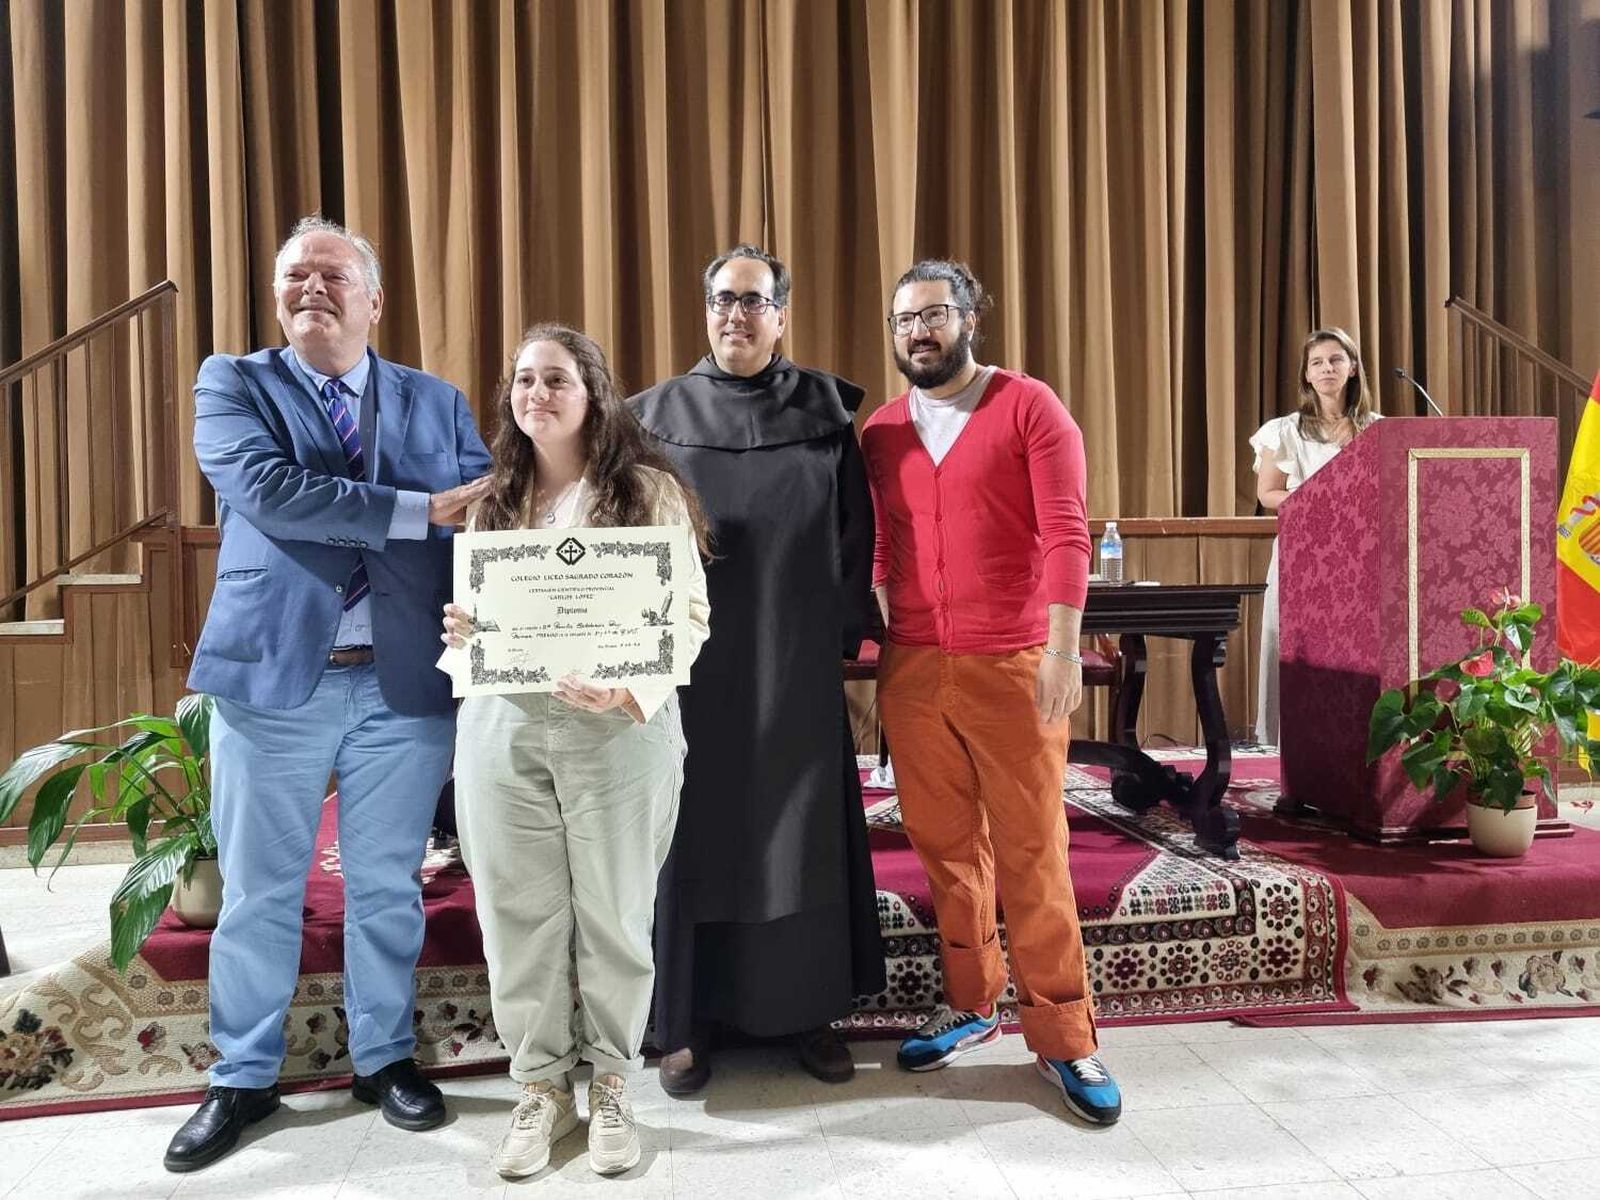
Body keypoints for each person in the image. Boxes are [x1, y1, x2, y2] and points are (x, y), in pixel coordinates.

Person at [167, 216, 492, 1172]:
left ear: (375, 301)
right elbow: (268, 489)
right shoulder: (234, 383)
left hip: (402, 686)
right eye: (294, 275)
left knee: (387, 886)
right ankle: (242, 1073)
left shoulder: (437, 400)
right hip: (276, 680)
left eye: (332, 275)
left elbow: (486, 516)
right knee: (261, 892)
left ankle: (384, 1056)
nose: (311, 288)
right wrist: (411, 511)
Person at [438, 324, 710, 1178]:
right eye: (523, 379)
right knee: (515, 915)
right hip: (503, 724)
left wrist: (632, 688)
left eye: (556, 378)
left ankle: (613, 1081)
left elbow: (690, 618)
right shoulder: (490, 502)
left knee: (614, 913)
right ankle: (540, 1086)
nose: (537, 394)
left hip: (619, 728)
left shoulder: (650, 494)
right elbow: (478, 628)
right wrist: (463, 631)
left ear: (594, 393)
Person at [861, 259, 1122, 1126]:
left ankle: (1064, 1034)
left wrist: (1061, 648)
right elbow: (883, 546)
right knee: (943, 845)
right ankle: (973, 1004)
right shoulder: (884, 431)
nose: (918, 332)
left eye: (934, 314)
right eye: (903, 320)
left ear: (971, 317)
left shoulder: (1029, 407)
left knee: (1031, 850)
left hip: (1013, 661)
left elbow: (1065, 533)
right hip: (913, 665)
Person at [631, 243, 885, 1094]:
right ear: (703, 311)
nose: (735, 314)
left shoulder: (825, 412)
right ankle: (686, 1023)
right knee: (693, 831)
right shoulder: (652, 416)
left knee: (799, 830)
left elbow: (857, 531)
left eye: (753, 300)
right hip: (692, 669)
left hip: (793, 657)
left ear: (781, 313)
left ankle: (804, 1013)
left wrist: (845, 635)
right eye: (721, 299)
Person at [1251, 326, 1381, 746]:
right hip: (1302, 554)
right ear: (1306, 375)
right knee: (1295, 647)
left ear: (1353, 367)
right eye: (1318, 363)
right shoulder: (1285, 430)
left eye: (1336, 360)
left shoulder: (1377, 429)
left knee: (1354, 651)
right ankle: (1291, 746)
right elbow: (1267, 493)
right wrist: (1317, 496)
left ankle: (1356, 741)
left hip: (1360, 557)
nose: (1327, 368)